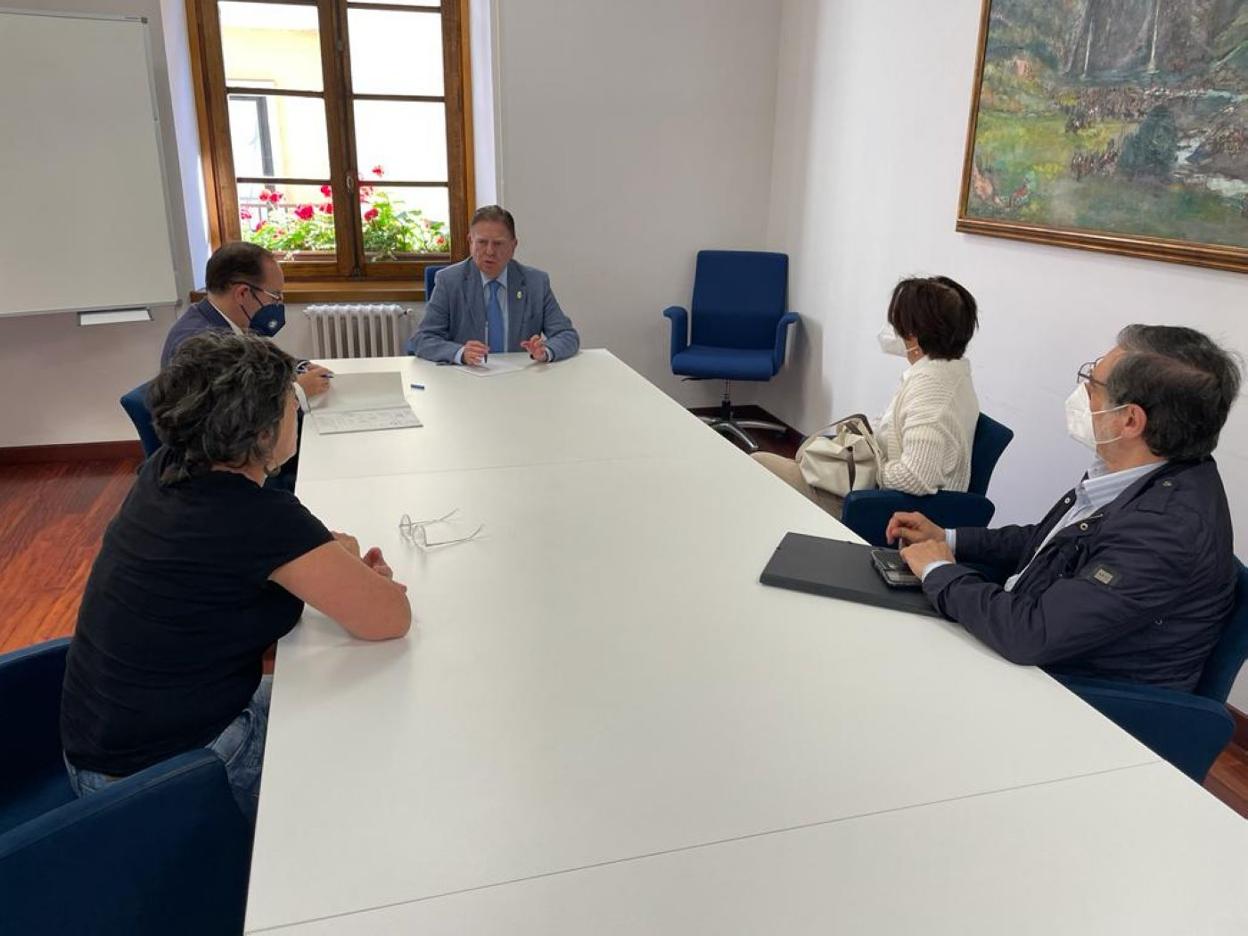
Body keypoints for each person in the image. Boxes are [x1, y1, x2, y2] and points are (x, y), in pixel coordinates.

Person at [61, 332, 411, 822]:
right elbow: (389, 617)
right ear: (263, 432)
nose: (298, 406)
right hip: (161, 784)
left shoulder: (167, 469)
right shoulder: (258, 517)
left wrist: (331, 557)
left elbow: (254, 554)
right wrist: (351, 568)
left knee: (322, 683)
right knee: (369, 734)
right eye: (292, 398)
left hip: (108, 744)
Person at [890, 325, 1241, 691]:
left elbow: (1031, 635)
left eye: (1092, 384)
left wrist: (939, 570)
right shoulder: (1132, 474)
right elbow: (1049, 544)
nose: (1082, 393)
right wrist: (949, 538)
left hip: (1079, 699)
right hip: (1031, 645)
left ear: (1130, 420)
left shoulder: (1166, 530)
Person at [754, 276, 980, 517]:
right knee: (796, 460)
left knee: (756, 467)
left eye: (900, 326)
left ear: (915, 335)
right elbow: (891, 427)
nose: (896, 332)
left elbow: (916, 479)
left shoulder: (932, 392)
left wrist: (864, 467)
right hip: (877, 492)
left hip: (879, 507)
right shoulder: (946, 372)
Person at [161, 241, 333, 406]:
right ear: (243, 294)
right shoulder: (201, 345)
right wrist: (296, 391)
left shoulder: (227, 321)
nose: (278, 303)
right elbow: (230, 417)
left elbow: (261, 363)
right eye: (275, 296)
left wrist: (298, 368)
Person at [409, 205, 580, 364]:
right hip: (467, 380)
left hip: (521, 379)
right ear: (470, 242)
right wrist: (460, 353)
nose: (490, 251)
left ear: (514, 246)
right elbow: (422, 339)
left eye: (498, 243)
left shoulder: (536, 282)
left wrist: (546, 350)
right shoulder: (449, 281)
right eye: (482, 242)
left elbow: (567, 335)